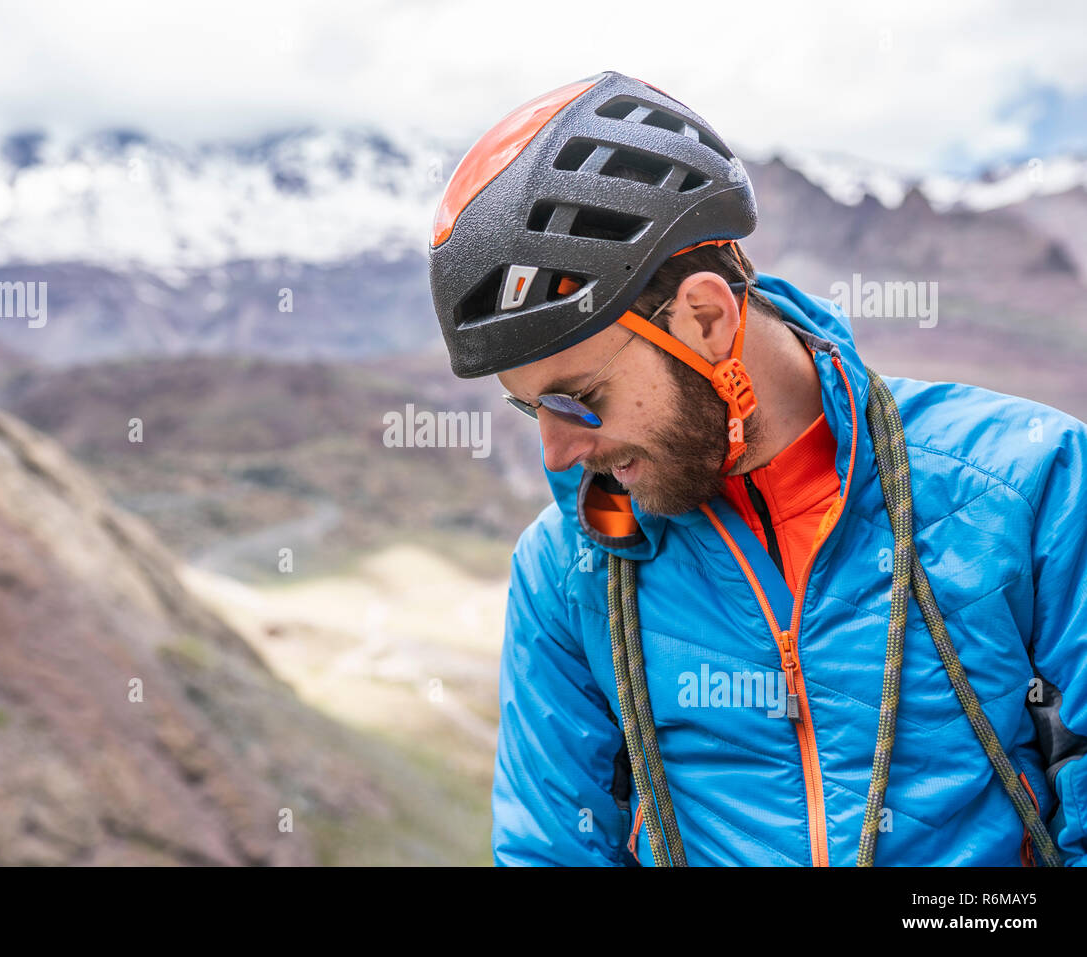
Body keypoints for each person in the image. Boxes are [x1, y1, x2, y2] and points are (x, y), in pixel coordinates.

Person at [427, 70, 1087, 866]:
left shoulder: (1033, 484)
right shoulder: (569, 568)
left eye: (581, 398)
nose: (558, 454)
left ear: (706, 317)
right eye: (533, 409)